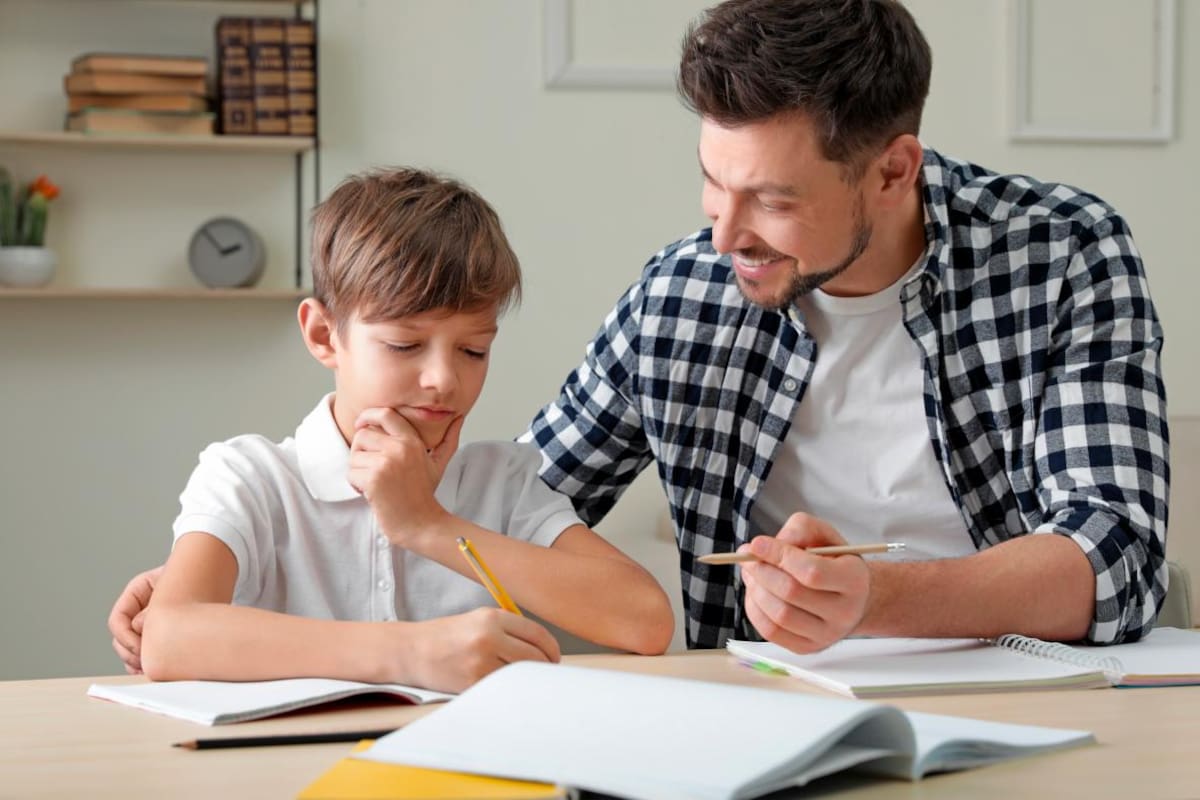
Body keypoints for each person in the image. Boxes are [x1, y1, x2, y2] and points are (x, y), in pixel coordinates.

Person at [112, 0, 1168, 664]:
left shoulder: (1060, 254)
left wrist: (878, 595)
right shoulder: (683, 293)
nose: (726, 231)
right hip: (758, 705)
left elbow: (1115, 557)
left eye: (773, 201)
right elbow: (517, 496)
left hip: (1028, 692)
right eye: (712, 182)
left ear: (894, 169)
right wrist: (213, 586)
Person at [124, 167, 673, 690]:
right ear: (323, 335)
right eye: (404, 345)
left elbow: (646, 620)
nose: (443, 379)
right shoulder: (251, 478)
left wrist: (427, 525)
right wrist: (410, 653)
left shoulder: (502, 481)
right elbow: (170, 639)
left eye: (473, 350)